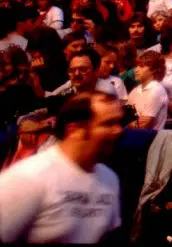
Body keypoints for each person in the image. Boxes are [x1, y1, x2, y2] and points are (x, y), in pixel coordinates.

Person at [0, 91, 123, 244]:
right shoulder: (28, 178)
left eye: (119, 122)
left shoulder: (109, 179)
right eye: (108, 124)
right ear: (74, 129)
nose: (118, 130)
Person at [127, 50, 168, 130]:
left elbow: (142, 127)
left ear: (154, 70)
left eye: (141, 66)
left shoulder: (156, 91)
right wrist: (131, 122)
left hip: (151, 140)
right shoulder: (134, 91)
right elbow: (124, 118)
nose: (136, 70)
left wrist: (129, 123)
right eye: (137, 66)